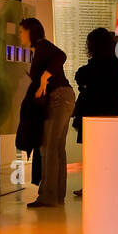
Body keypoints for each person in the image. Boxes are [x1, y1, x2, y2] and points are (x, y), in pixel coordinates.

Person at [18, 17, 75, 207]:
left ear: (30, 31)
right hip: (63, 98)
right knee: (56, 147)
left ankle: (48, 196)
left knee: (49, 147)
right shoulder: (38, 50)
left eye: (21, 31)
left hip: (60, 98)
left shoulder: (42, 45)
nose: (19, 35)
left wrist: (44, 77)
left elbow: (61, 56)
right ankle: (56, 195)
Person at [71, 27, 118, 197]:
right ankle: (110, 186)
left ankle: (92, 186)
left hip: (94, 114)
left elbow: (80, 76)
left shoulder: (96, 64)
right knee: (110, 152)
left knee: (93, 153)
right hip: (113, 113)